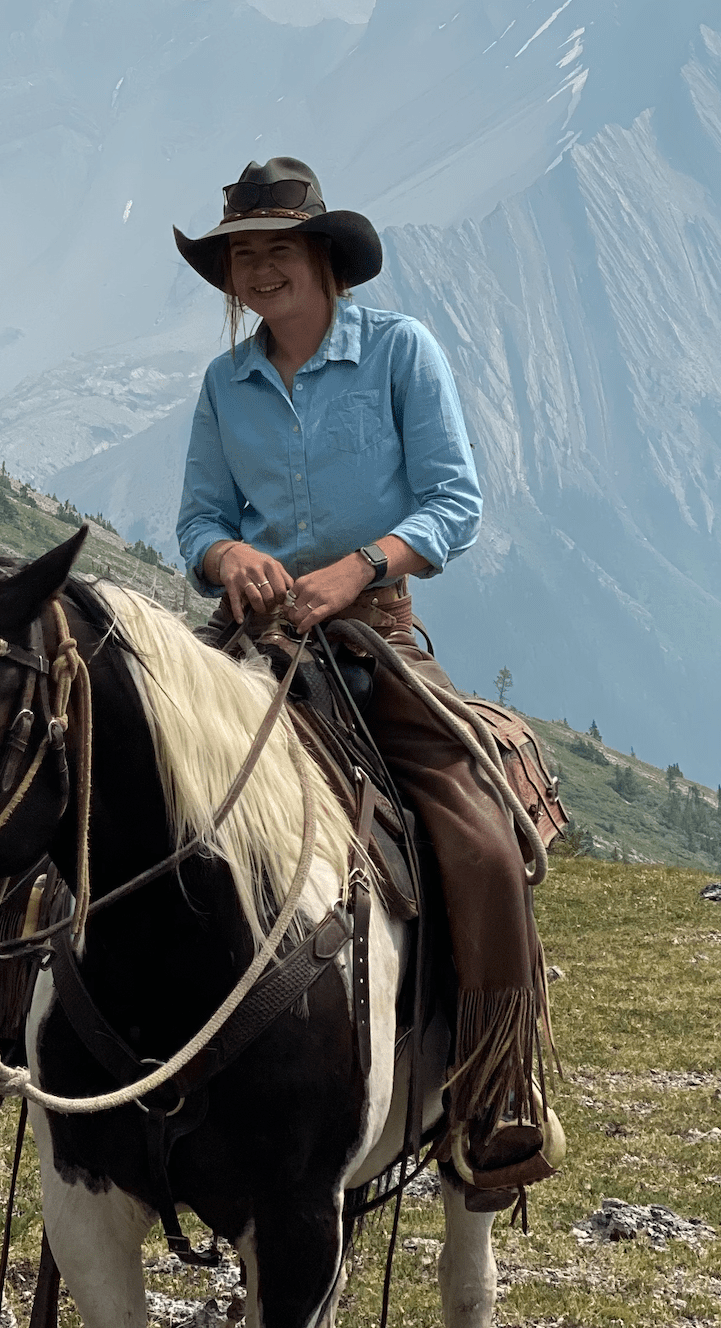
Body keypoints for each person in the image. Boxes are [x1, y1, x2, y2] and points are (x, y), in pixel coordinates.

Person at [173, 156, 563, 1207]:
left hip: (372, 640)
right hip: (248, 639)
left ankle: (493, 1089)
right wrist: (226, 560)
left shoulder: (399, 353)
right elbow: (199, 518)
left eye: (274, 250)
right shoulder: (224, 385)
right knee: (110, 762)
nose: (255, 269)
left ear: (322, 260)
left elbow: (453, 500)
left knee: (475, 835)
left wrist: (358, 566)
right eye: (238, 254)